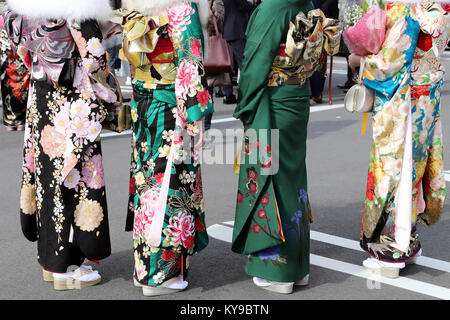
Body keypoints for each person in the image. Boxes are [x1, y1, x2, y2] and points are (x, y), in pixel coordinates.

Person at [2, 0, 116, 290]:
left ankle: (52, 263)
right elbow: (93, 57)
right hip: (72, 106)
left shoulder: (22, 8)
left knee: (48, 182)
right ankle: (71, 266)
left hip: (42, 99)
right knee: (77, 181)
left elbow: (23, 52)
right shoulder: (76, 6)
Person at [231, 0, 342, 294]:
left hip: (273, 100)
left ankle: (279, 270)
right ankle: (298, 267)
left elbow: (255, 63)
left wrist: (245, 106)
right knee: (292, 177)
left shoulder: (273, 8)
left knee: (272, 179)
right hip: (297, 96)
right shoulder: (304, 3)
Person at [112, 0, 213, 297]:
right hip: (170, 107)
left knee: (148, 182)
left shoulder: (135, 5)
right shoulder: (182, 8)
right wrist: (196, 118)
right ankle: (160, 275)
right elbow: (189, 65)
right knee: (169, 186)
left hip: (143, 101)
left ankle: (143, 267)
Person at [348, 1, 449, 278]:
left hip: (402, 103)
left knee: (393, 172)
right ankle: (409, 241)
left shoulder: (405, 10)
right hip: (427, 98)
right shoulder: (439, 9)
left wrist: (360, 61)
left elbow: (389, 64)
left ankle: (391, 250)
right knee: (414, 170)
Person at [222, 0, 254, 104]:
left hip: (233, 29)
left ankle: (235, 93)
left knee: (235, 64)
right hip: (236, 29)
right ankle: (247, 95)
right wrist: (253, 3)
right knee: (243, 64)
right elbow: (242, 5)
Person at [0, 26, 30, 131]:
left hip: (7, 57)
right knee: (22, 89)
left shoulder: (3, 16)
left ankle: (10, 122)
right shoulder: (23, 14)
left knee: (7, 90)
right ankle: (21, 121)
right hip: (20, 56)